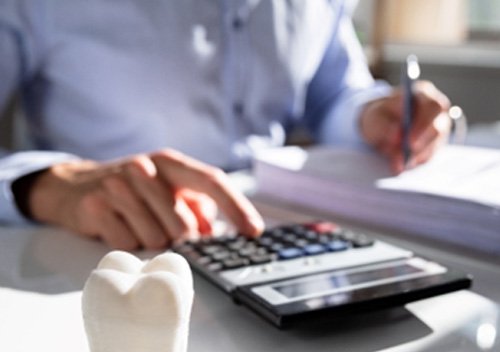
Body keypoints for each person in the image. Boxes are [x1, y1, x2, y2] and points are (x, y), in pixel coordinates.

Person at [0, 0, 451, 250]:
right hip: (101, 247)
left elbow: (332, 94)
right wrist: (49, 186)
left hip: (280, 234)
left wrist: (372, 116)